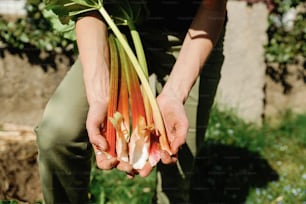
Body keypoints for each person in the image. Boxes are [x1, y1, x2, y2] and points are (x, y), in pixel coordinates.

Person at [35, 0, 227, 203]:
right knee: (56, 133)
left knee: (176, 170)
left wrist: (174, 95)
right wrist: (99, 96)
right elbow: (86, 5)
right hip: (118, 31)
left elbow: (212, 7)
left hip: (191, 33)